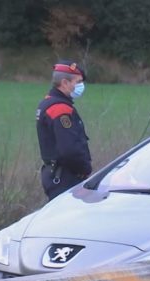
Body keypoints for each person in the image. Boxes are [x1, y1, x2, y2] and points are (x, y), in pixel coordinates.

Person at [36, 60, 92, 200]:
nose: (80, 86)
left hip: (56, 175)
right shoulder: (60, 109)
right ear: (65, 83)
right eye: (77, 82)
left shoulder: (48, 102)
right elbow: (69, 149)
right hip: (65, 178)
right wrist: (85, 170)